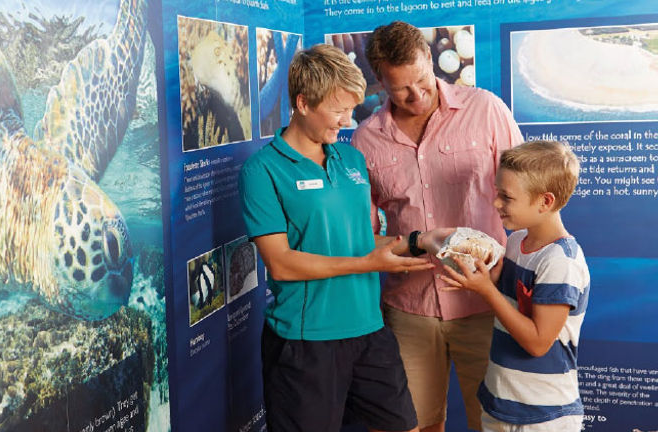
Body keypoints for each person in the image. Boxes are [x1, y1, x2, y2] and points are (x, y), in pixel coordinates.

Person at [238, 43, 451, 432]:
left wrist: (419, 240)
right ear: (302, 103)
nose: (347, 120)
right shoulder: (262, 171)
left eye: (352, 109)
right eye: (339, 110)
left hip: (369, 330)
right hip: (306, 341)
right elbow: (282, 264)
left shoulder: (350, 159)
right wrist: (371, 264)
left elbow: (358, 241)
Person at [351, 21, 524, 432]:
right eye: (401, 89)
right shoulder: (365, 141)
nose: (416, 95)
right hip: (409, 312)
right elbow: (361, 237)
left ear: (430, 60)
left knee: (494, 424)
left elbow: (529, 197)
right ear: (380, 82)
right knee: (412, 425)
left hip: (485, 304)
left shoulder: (486, 110)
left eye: (421, 81)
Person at [441, 140, 589, 432]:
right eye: (497, 193)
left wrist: (486, 290)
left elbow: (537, 342)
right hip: (501, 404)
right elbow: (510, 300)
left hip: (543, 416)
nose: (496, 203)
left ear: (545, 201)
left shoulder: (561, 262)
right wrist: (483, 274)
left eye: (506, 197)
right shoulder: (514, 242)